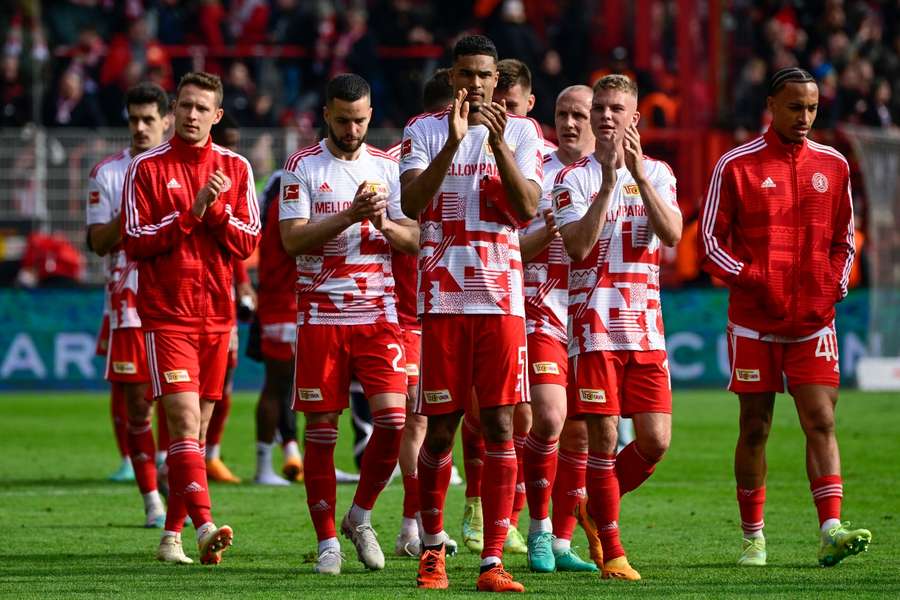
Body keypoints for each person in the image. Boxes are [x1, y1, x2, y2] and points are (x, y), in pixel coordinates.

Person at [698, 67, 871, 568]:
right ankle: (754, 538)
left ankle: (831, 530)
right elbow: (709, 242)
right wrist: (753, 279)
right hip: (754, 322)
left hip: (813, 323)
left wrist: (833, 286)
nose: (805, 117)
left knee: (821, 420)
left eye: (812, 108)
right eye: (795, 107)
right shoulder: (736, 164)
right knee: (755, 426)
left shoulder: (833, 165)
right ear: (771, 105)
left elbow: (845, 241)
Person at [400, 35, 542, 592]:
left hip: (501, 300)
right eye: (466, 75)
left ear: (495, 78)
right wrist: (453, 145)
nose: (476, 85)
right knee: (440, 432)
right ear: (452, 76)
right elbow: (411, 205)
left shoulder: (525, 132)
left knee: (502, 425)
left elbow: (527, 208)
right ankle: (432, 552)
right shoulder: (423, 130)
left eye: (484, 75)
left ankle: (491, 561)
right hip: (442, 302)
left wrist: (498, 143)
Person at [279, 73, 419, 576]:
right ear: (326, 115)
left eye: (360, 120)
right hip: (321, 317)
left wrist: (382, 224)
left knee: (394, 422)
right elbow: (292, 241)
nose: (352, 129)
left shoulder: (390, 166)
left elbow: (418, 238)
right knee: (321, 431)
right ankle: (326, 544)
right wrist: (350, 216)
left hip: (379, 317)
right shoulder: (301, 167)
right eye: (343, 120)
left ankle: (359, 516)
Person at [122, 71, 260, 565]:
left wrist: (216, 211)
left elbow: (249, 242)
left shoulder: (236, 167)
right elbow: (135, 241)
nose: (192, 114)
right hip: (168, 316)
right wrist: (193, 211)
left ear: (217, 115)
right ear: (174, 110)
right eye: (185, 105)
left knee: (197, 437)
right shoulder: (147, 168)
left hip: (218, 317)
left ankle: (170, 536)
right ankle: (205, 526)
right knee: (182, 424)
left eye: (202, 108)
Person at [553, 74, 682, 581]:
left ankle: (589, 504)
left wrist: (638, 178)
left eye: (616, 109)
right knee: (603, 438)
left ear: (635, 118)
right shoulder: (572, 180)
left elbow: (670, 234)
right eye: (600, 108)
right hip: (593, 331)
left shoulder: (661, 173)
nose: (606, 116)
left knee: (655, 441)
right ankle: (614, 551)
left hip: (646, 329)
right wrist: (608, 183)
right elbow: (579, 248)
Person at [507, 81, 599, 572]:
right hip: (540, 307)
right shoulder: (533, 168)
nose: (569, 123)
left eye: (579, 114)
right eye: (563, 113)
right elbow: (513, 247)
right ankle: (537, 530)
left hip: (594, 312)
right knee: (548, 417)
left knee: (581, 433)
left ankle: (563, 542)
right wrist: (553, 229)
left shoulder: (608, 173)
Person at [87, 82, 171, 528]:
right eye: (133, 119)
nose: (140, 127)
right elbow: (97, 241)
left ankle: (178, 481)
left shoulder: (182, 165)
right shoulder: (108, 173)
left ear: (166, 121)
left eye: (148, 120)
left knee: (182, 405)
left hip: (179, 299)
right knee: (139, 404)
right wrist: (131, 211)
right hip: (130, 305)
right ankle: (152, 499)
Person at [390, 67, 461, 558]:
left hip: (444, 302)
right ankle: (410, 526)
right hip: (406, 306)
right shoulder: (407, 159)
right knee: (417, 421)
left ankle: (410, 524)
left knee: (438, 421)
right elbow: (408, 230)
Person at [247, 168, 303, 486]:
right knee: (278, 387)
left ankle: (272, 462)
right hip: (286, 305)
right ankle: (263, 467)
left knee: (285, 387)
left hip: (280, 304)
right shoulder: (288, 205)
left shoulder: (272, 207)